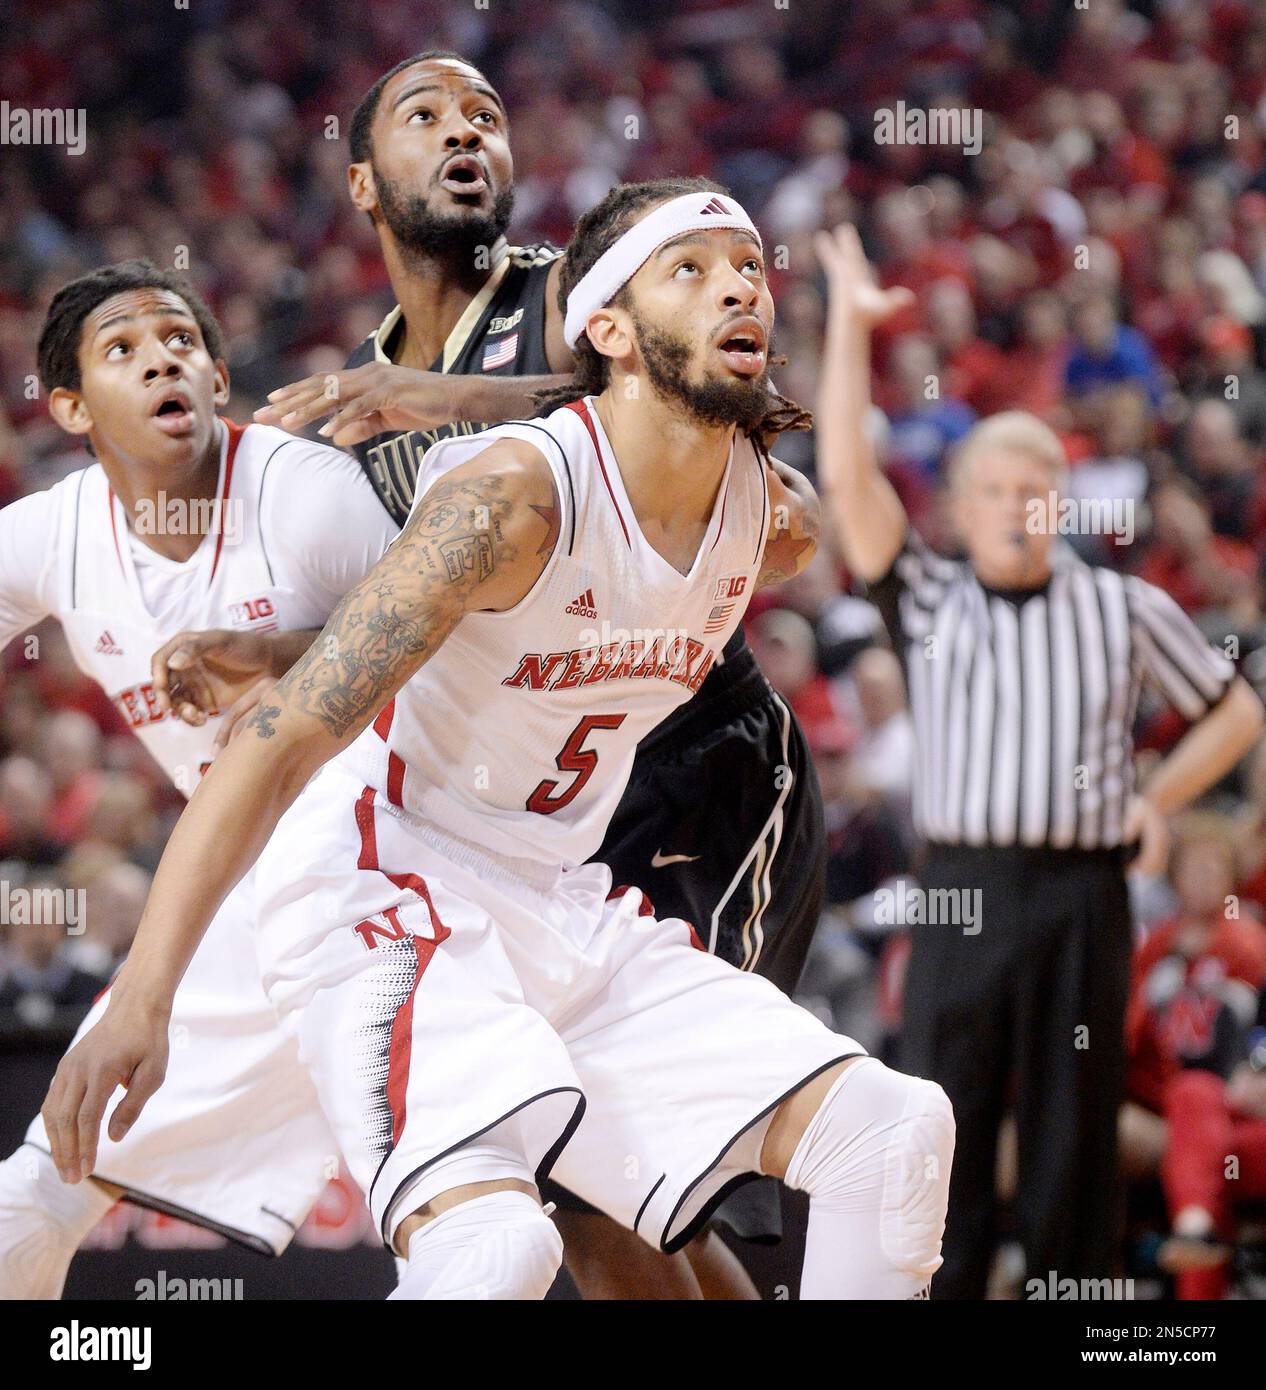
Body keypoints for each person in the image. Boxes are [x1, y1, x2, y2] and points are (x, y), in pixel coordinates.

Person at [43, 182, 955, 1302]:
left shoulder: (777, 521)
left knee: (894, 1129)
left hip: (550, 895)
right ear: (609, 330)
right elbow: (281, 740)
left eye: (752, 266)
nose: (738, 284)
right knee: (498, 1250)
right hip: (376, 878)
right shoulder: (510, 499)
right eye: (693, 267)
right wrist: (144, 993)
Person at [254, 50, 829, 1297]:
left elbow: (663, 397)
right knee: (571, 1188)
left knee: (661, 1171)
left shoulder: (569, 288)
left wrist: (440, 393)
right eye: (426, 115)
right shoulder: (359, 384)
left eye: (487, 114)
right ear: (362, 185)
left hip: (698, 770)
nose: (465, 131)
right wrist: (253, 654)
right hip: (528, 820)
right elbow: (408, 624)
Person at [813, 222, 1265, 1298]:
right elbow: (844, 475)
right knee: (940, 1118)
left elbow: (1237, 712)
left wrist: (1157, 793)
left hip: (1081, 892)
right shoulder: (927, 598)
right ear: (959, 509)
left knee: (1073, 1125)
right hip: (962, 887)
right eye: (995, 490)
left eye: (1037, 488)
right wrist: (849, 330)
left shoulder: (1123, 606)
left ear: (1059, 501)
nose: (1017, 507)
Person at [0, 260, 398, 1297]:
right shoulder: (55, 533)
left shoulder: (306, 493)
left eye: (178, 340)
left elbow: (463, 652)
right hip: (257, 884)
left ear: (218, 377)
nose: (160, 359)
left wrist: (282, 658)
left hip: (417, 861)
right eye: (123, 349)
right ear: (71, 407)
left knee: (502, 1219)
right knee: (33, 1198)